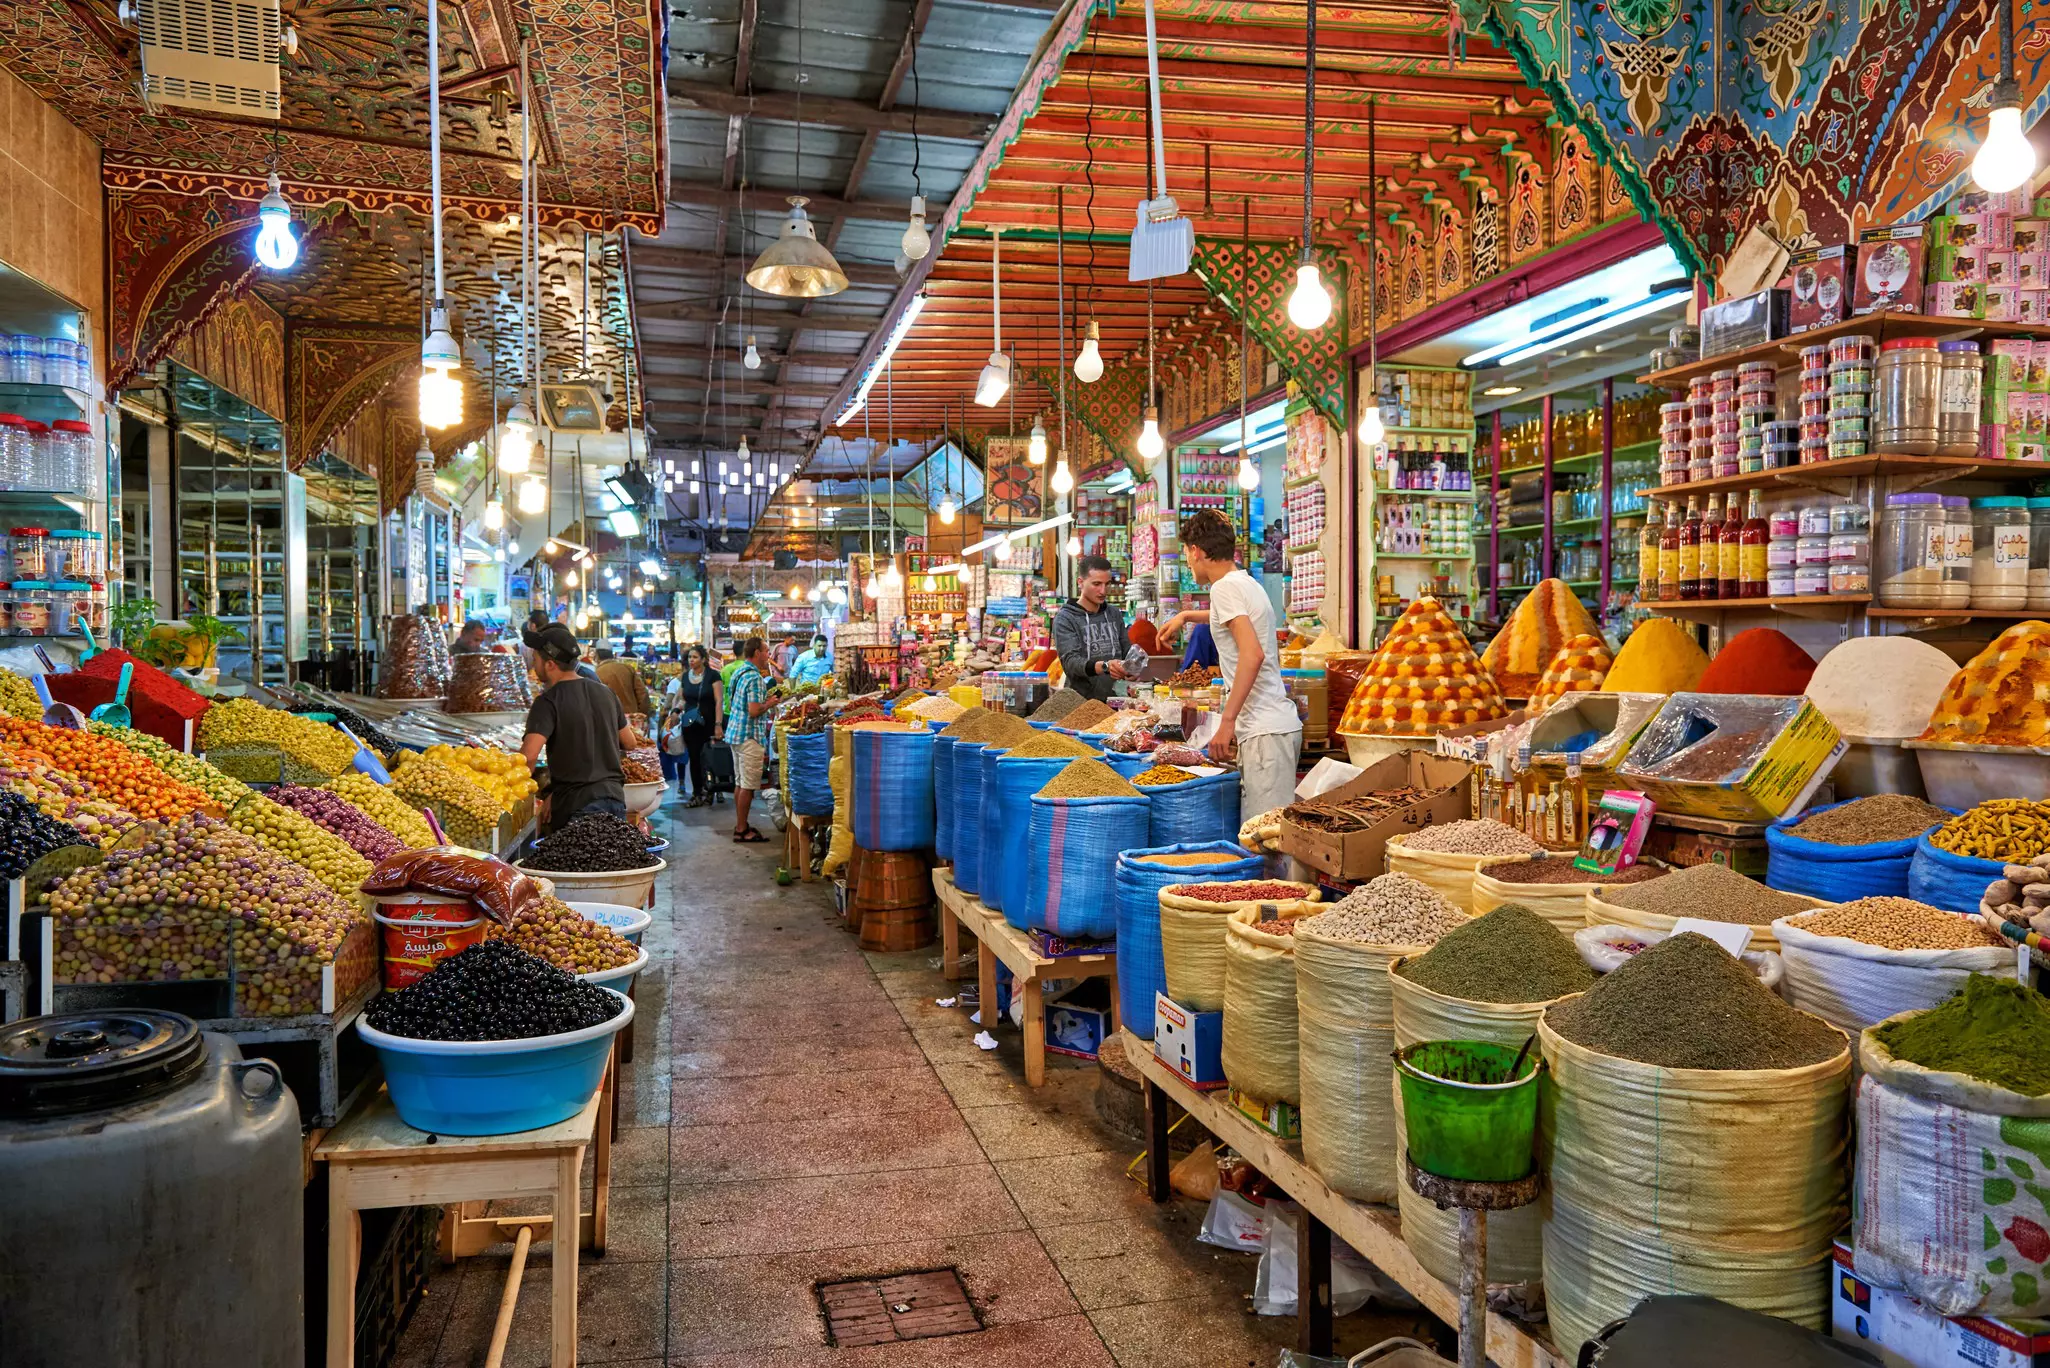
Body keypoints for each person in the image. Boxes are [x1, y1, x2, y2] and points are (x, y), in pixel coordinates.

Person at [1158, 509, 1303, 820]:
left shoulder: (1224, 589)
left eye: (1186, 554)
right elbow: (1230, 620)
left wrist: (1227, 722)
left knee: (1267, 841)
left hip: (1264, 732)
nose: (1187, 562)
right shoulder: (1244, 582)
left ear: (1196, 551)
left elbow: (1253, 654)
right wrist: (1184, 616)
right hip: (1273, 728)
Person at [519, 622, 638, 834]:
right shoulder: (606, 694)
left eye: (536, 659)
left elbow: (528, 757)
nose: (533, 666)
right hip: (614, 801)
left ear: (550, 664)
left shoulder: (548, 702)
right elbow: (630, 742)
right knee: (611, 865)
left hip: (577, 807)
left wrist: (515, 793)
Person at [723, 636, 781, 842]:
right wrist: (771, 702)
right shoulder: (755, 678)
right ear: (757, 652)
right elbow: (754, 710)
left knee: (740, 783)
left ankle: (742, 824)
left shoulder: (739, 671)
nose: (768, 656)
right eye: (766, 651)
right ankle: (741, 829)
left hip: (735, 733)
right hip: (749, 736)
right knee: (747, 786)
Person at [1053, 555, 1130, 702]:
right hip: (1081, 703)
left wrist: (1132, 666)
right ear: (1080, 583)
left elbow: (1126, 647)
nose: (1103, 591)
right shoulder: (1065, 618)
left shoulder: (1114, 614)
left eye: (1107, 584)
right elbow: (1071, 663)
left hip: (1116, 700)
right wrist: (1105, 666)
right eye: (1096, 584)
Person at [664, 644, 721, 806]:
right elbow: (683, 699)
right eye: (690, 657)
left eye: (695, 657)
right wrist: (675, 711)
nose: (692, 660)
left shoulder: (713, 676)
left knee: (708, 759)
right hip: (690, 724)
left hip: (708, 723)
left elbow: (719, 701)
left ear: (703, 659)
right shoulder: (685, 677)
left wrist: (718, 724)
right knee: (694, 759)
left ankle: (710, 791)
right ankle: (697, 794)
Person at [594, 647, 653, 725]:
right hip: (630, 720)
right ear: (612, 656)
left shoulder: (596, 673)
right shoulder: (628, 668)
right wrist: (640, 715)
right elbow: (643, 694)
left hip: (608, 722)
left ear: (597, 657)